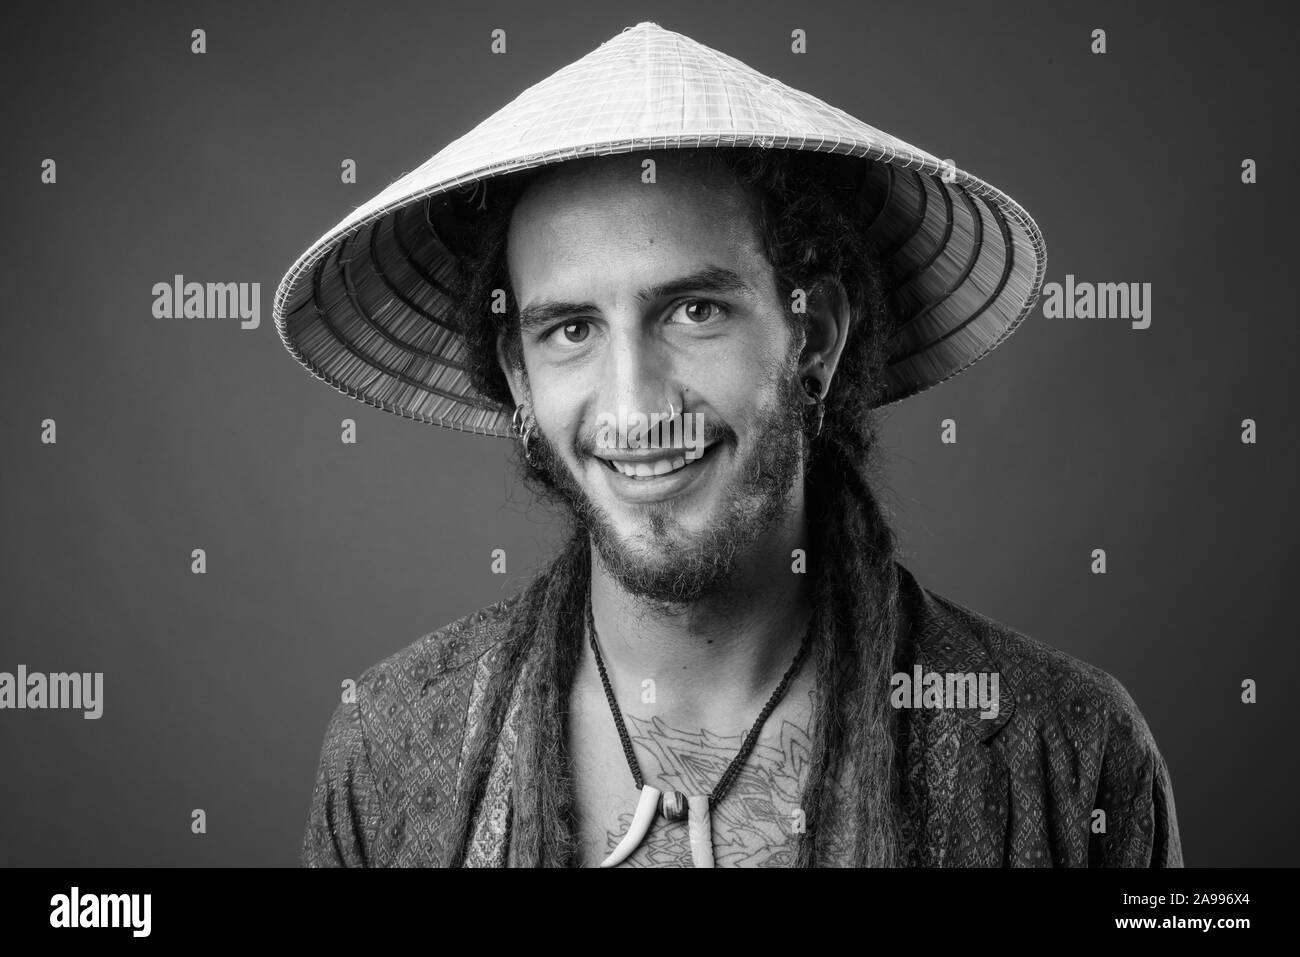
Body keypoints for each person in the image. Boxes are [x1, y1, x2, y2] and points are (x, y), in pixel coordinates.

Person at [279, 22, 1181, 868]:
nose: (634, 407)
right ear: (519, 374)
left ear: (813, 337)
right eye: (571, 330)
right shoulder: (392, 752)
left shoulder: (1065, 751)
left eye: (694, 311)